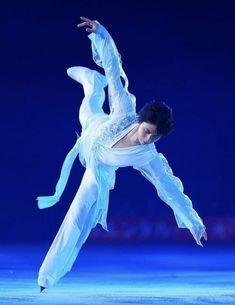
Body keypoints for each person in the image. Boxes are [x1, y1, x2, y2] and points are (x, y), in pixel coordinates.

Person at [36, 16, 207, 292]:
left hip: (98, 168)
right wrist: (100, 33)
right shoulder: (126, 109)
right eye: (147, 131)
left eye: (155, 136)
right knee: (89, 104)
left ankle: (46, 277)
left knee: (77, 216)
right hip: (94, 128)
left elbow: (171, 189)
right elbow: (115, 69)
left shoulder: (148, 156)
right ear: (141, 120)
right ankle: (92, 80)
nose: (147, 138)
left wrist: (193, 222)